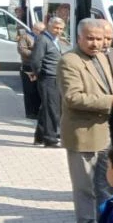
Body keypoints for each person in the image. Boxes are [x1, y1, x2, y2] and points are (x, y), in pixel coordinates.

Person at [58, 18, 113, 223]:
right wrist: (112, 101)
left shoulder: (101, 57)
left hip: (103, 132)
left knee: (105, 183)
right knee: (85, 185)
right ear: (79, 38)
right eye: (90, 38)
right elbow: (73, 98)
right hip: (82, 134)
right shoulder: (69, 61)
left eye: (99, 39)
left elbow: (108, 87)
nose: (95, 43)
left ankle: (104, 221)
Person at [31, 17, 67, 148]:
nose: (59, 31)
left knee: (46, 108)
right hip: (48, 78)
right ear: (49, 26)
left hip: (55, 77)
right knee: (52, 109)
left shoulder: (54, 40)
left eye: (61, 29)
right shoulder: (43, 39)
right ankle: (50, 139)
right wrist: (40, 75)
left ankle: (39, 137)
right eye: (56, 28)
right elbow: (36, 61)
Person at [18, 22, 44, 120]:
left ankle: (38, 111)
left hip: (39, 66)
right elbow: (22, 50)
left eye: (43, 31)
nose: (41, 32)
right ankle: (30, 112)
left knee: (38, 90)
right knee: (30, 90)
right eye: (40, 30)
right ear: (34, 29)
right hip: (28, 66)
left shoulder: (42, 38)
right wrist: (37, 54)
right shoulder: (25, 37)